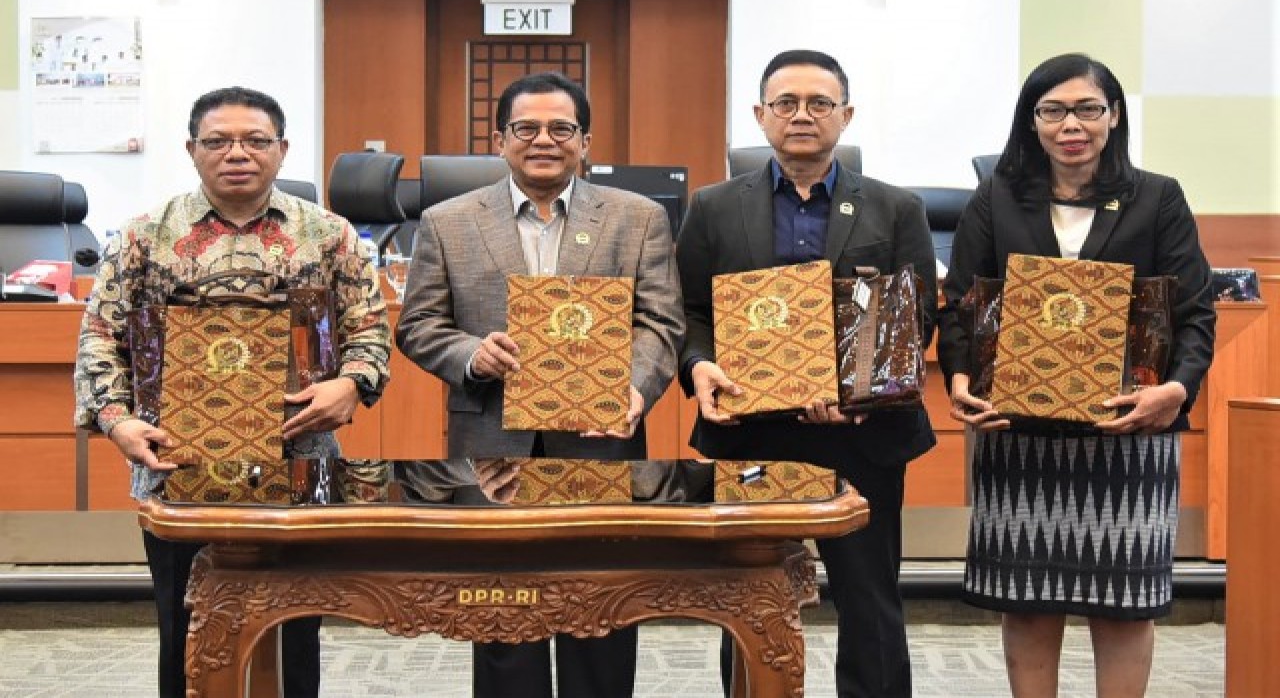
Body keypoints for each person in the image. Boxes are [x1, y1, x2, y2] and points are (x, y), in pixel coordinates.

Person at [73, 86, 393, 698]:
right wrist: (117, 420)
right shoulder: (145, 235)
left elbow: (368, 328)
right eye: (218, 141)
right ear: (192, 150)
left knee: (298, 617)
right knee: (188, 619)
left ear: (282, 150)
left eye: (255, 140)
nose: (237, 153)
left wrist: (351, 385)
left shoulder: (329, 234)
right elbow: (100, 336)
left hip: (303, 454)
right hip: (175, 455)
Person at [395, 72, 692, 698]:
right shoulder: (448, 220)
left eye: (562, 128)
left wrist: (633, 388)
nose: (543, 140)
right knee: (504, 624)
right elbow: (418, 326)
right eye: (526, 128)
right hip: (489, 449)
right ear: (501, 139)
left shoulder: (638, 219)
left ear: (586, 141)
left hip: (603, 447)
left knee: (602, 620)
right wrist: (472, 354)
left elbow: (661, 321)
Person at [936, 53, 1216, 697]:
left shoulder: (1157, 196)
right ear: (1031, 122)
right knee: (1029, 602)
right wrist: (957, 378)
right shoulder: (997, 199)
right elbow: (960, 307)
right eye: (1053, 110)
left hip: (1128, 434)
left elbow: (1196, 313)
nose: (1072, 124)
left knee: (1123, 606)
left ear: (1113, 116)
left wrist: (1176, 390)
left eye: (1088, 108)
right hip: (1021, 433)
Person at [675, 49, 938, 698]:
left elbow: (915, 315)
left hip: (861, 435)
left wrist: (862, 393)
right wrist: (698, 363)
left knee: (870, 601)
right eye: (786, 103)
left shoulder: (895, 207)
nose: (802, 115)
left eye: (819, 103)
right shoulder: (711, 207)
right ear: (761, 115)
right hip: (750, 433)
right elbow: (687, 309)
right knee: (749, 600)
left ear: (846, 116)